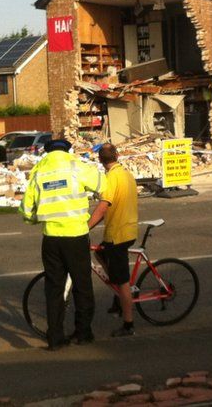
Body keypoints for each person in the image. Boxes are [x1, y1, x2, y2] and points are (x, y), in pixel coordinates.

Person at [20, 138, 104, 351]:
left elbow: (27, 210)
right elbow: (103, 185)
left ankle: (55, 338)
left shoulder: (39, 172)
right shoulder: (77, 166)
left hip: (51, 239)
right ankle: (83, 333)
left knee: (54, 288)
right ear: (68, 150)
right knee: (82, 286)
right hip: (76, 236)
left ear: (47, 152)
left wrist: (34, 219)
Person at [88, 143, 139, 338]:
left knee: (123, 281)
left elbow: (102, 208)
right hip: (127, 229)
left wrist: (85, 227)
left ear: (100, 160)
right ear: (116, 156)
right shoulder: (126, 173)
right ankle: (117, 293)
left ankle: (128, 324)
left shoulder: (110, 178)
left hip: (118, 234)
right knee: (100, 252)